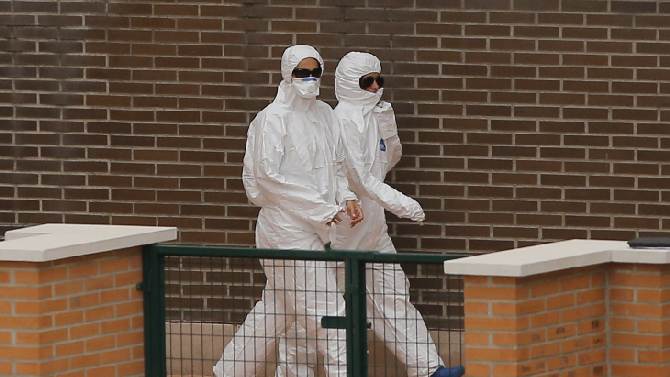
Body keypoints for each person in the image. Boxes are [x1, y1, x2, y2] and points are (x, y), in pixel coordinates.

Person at [275, 52, 465, 377]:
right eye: (368, 81)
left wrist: (387, 123)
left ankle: (428, 368)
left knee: (393, 297)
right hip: (342, 233)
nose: (375, 87)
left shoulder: (371, 117)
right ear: (351, 83)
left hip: (374, 228)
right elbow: (361, 177)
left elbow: (389, 159)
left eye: (379, 80)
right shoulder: (341, 122)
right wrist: (402, 204)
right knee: (315, 311)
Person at [213, 45, 363, 377]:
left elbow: (337, 166)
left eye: (315, 72)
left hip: (319, 225)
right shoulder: (272, 119)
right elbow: (269, 180)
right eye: (301, 72)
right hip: (285, 229)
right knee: (331, 315)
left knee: (275, 311)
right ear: (287, 74)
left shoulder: (325, 114)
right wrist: (322, 207)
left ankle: (227, 372)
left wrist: (347, 195)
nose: (310, 80)